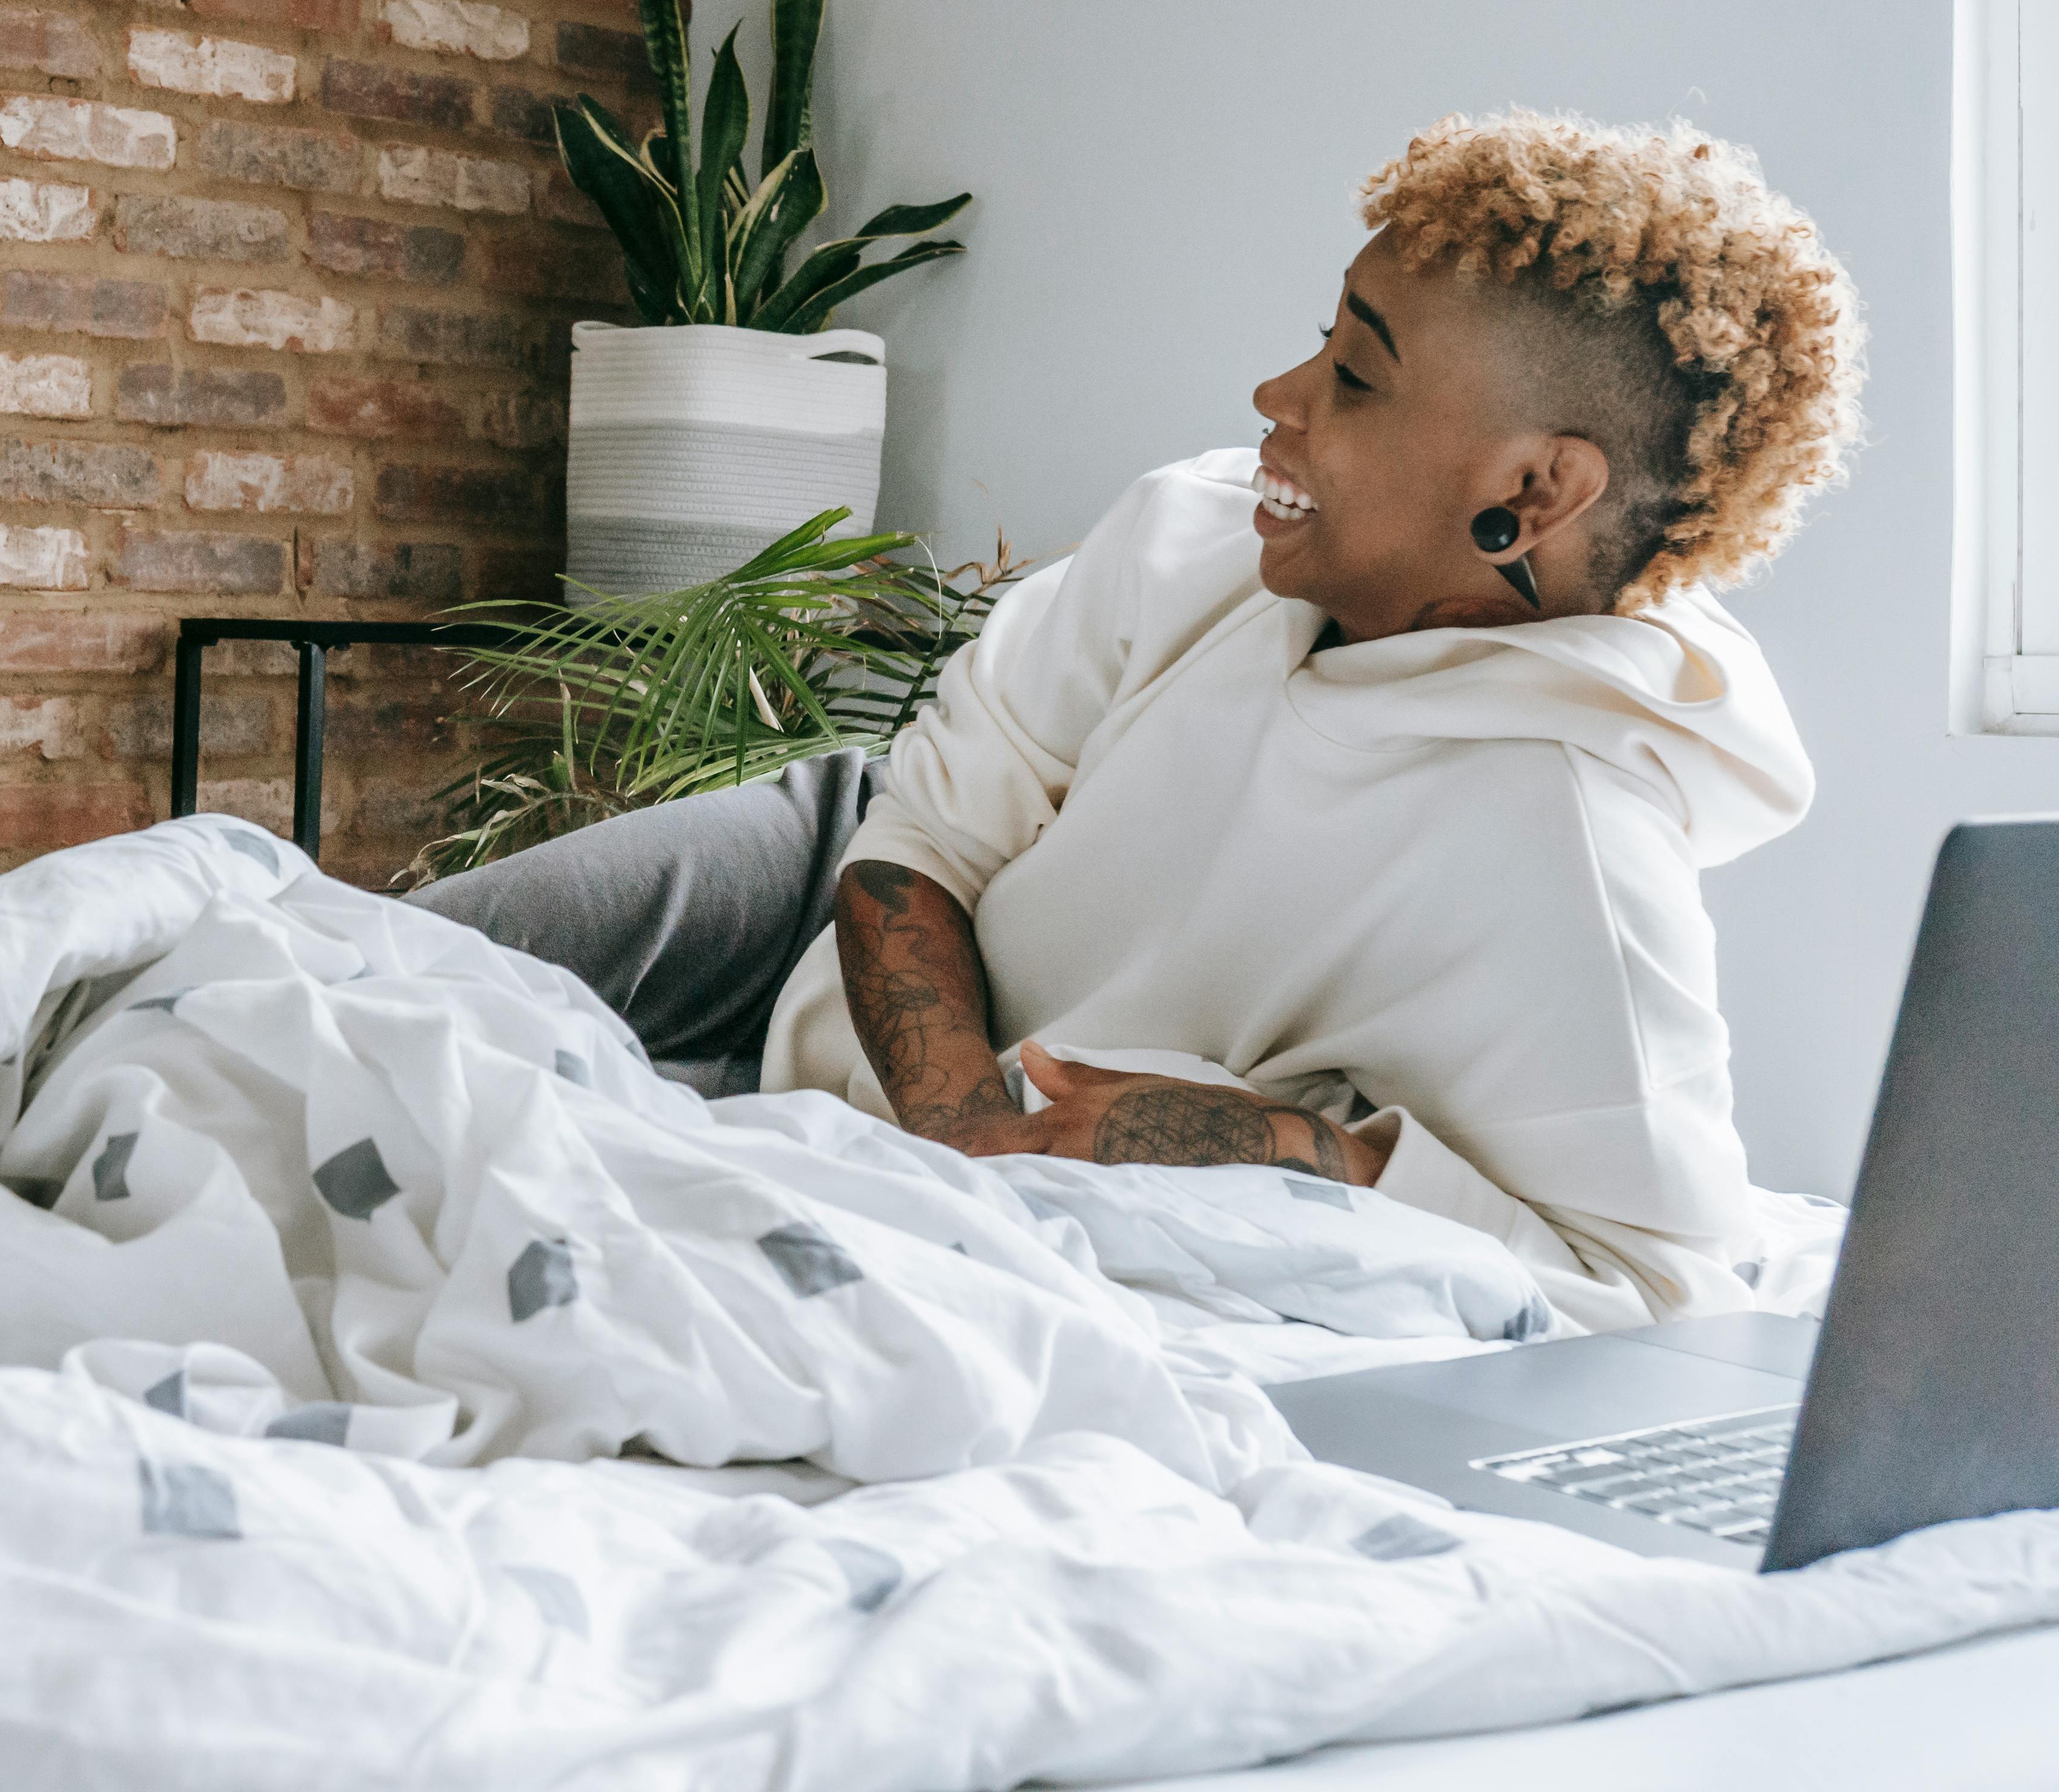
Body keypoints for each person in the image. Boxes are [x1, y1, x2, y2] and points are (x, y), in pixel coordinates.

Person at [414, 111, 1863, 1331]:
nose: (1276, 396)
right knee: (318, 967)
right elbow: (918, 832)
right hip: (837, 880)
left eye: (1355, 376)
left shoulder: (1571, 854)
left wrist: (1301, 1149)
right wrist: (962, 1132)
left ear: (1536, 494)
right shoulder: (1200, 524)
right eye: (1322, 341)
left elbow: (1657, 1286)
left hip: (928, 1051)